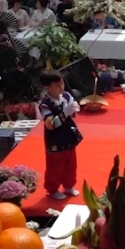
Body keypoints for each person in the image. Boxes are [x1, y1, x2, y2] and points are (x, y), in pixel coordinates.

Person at [38, 71, 82, 200]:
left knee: (71, 164)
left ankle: (68, 185)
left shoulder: (66, 96)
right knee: (55, 167)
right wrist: (66, 112)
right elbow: (50, 124)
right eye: (57, 85)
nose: (61, 87)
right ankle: (52, 189)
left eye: (62, 83)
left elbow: (72, 112)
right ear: (47, 87)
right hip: (55, 139)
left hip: (69, 135)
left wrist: (74, 110)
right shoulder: (45, 104)